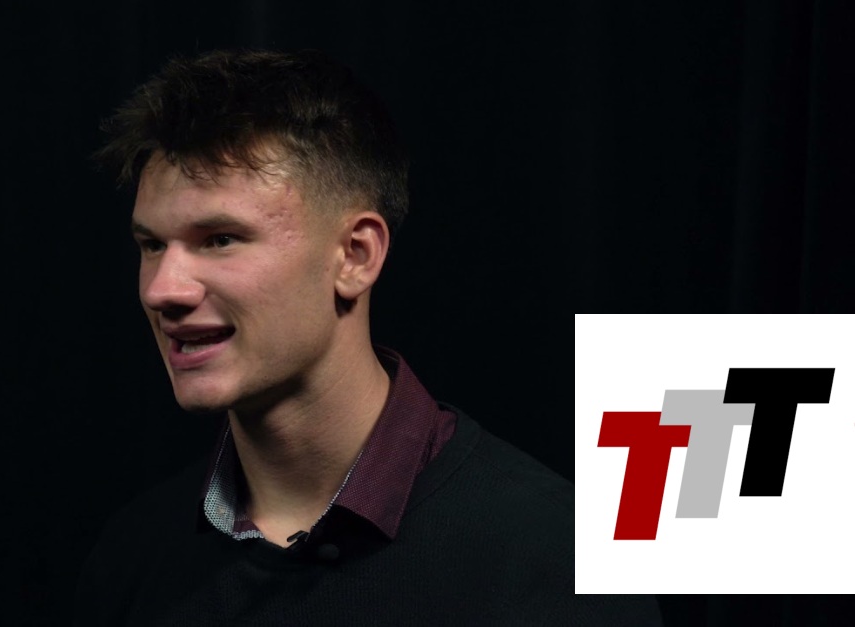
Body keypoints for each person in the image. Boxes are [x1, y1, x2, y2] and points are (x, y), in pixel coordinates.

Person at [73, 48, 661, 626]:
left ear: (355, 256)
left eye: (220, 239)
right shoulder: (132, 557)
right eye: (152, 245)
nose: (162, 290)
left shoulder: (550, 556)